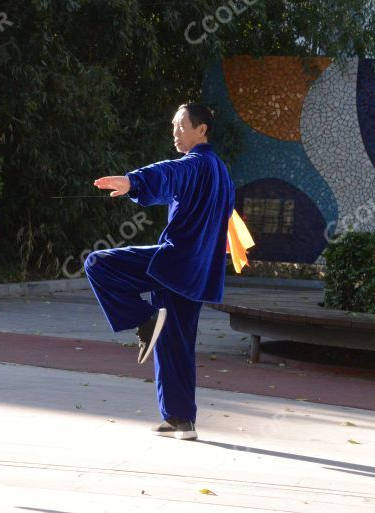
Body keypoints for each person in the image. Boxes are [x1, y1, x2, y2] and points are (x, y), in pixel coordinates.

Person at [85, 103, 234, 441]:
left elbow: (169, 174)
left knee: (98, 263)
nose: (175, 131)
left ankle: (145, 318)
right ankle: (182, 419)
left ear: (202, 130)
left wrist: (133, 182)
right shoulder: (224, 173)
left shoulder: (197, 163)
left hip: (176, 263)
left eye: (181, 124)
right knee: (176, 341)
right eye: (173, 125)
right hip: (198, 272)